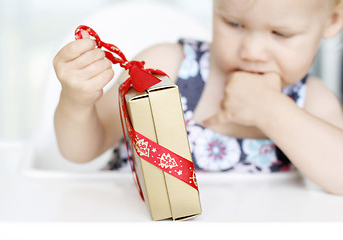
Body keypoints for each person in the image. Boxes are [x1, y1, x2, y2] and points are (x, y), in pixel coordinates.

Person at [53, 0, 343, 195]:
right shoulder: (167, 67)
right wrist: (76, 102)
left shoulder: (312, 101)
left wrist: (271, 110)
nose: (252, 52)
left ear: (332, 20)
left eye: (281, 33)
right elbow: (81, 152)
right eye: (234, 24)